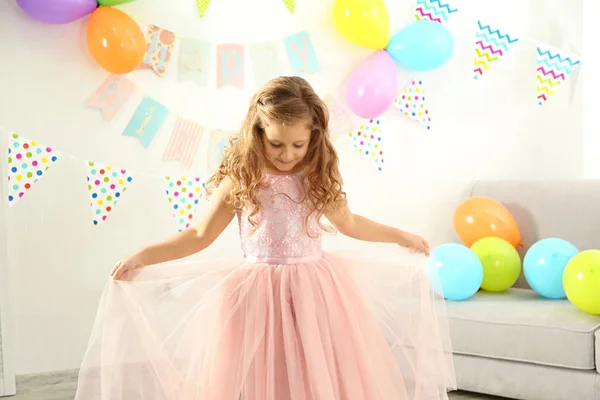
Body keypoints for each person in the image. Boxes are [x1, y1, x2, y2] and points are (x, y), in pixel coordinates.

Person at [75, 76, 456, 400]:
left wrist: (399, 235)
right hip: (256, 294)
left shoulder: (316, 177)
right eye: (277, 144)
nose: (288, 154)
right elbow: (198, 235)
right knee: (259, 373)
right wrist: (144, 254)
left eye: (298, 145)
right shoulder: (243, 179)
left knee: (314, 372)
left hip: (316, 293)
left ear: (314, 139)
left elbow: (351, 223)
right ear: (258, 133)